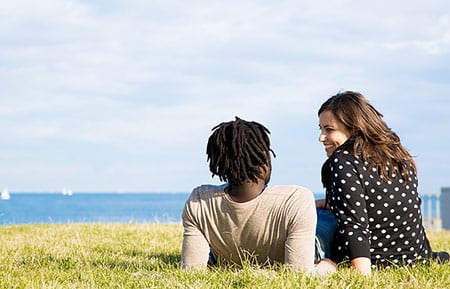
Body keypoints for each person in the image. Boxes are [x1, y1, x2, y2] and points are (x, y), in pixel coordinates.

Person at [180, 117, 336, 275]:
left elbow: (192, 270)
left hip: (231, 250)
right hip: (312, 245)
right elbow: (300, 273)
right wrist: (327, 267)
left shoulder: (199, 200)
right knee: (328, 217)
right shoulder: (297, 199)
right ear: (263, 158)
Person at [316, 91, 449, 276]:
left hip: (375, 260)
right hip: (416, 257)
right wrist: (325, 203)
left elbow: (354, 225)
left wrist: (362, 275)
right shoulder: (396, 153)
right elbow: (379, 202)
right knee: (318, 210)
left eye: (329, 129)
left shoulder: (343, 160)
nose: (321, 137)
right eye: (320, 129)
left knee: (318, 220)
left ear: (353, 128)